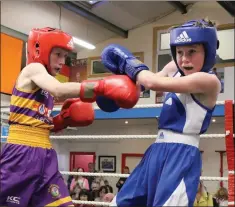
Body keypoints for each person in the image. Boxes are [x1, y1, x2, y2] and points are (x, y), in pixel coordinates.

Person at [0, 27, 140, 207]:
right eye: (57, 54)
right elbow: (58, 90)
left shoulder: (45, 85)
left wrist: (60, 121)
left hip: (45, 155)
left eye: (65, 56)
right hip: (22, 153)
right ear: (38, 50)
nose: (61, 61)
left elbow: (38, 120)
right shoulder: (33, 69)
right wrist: (101, 87)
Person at [100, 19, 221, 206]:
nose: (184, 59)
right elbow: (144, 84)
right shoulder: (174, 68)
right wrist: (115, 88)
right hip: (156, 149)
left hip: (181, 155)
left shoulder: (209, 81)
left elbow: (153, 83)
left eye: (192, 51)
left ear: (209, 51)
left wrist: (129, 63)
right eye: (179, 52)